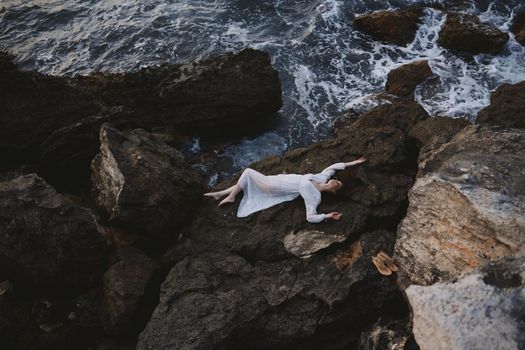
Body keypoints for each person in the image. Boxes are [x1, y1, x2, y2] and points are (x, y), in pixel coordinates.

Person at [204, 157, 367, 223]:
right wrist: (355, 163)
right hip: (279, 179)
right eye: (337, 180)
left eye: (337, 184)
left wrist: (327, 216)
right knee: (248, 180)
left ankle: (231, 196)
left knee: (248, 173)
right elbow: (334, 167)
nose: (335, 181)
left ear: (333, 191)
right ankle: (221, 193)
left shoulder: (314, 196)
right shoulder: (322, 177)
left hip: (275, 187)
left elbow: (310, 217)